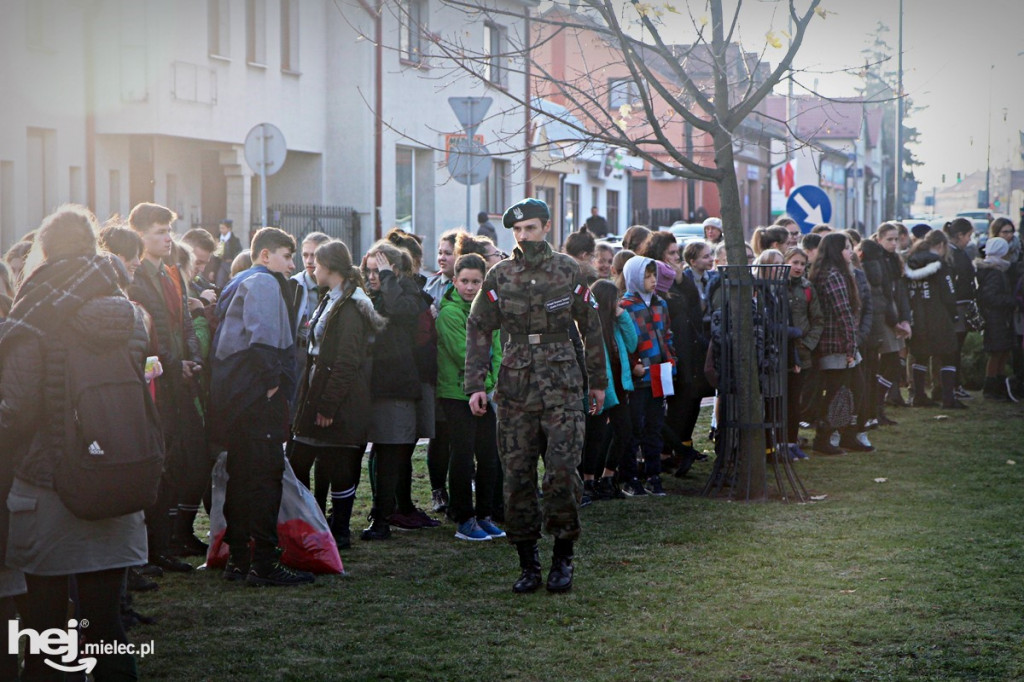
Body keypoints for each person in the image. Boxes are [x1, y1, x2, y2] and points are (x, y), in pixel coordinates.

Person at [0, 205, 148, 678]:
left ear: (43, 250)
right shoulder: (128, 315)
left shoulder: (32, 317)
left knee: (45, 638)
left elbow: (15, 412)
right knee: (106, 630)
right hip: (118, 480)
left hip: (49, 489)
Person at [464, 197, 606, 594]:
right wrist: (476, 383)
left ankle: (563, 557)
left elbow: (591, 327)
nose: (523, 236)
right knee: (517, 477)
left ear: (545, 226)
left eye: (530, 227)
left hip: (562, 385)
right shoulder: (499, 275)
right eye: (517, 230)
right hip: (515, 388)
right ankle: (528, 563)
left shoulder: (568, 270)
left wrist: (598, 382)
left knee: (562, 473)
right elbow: (478, 328)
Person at [211, 227, 314, 586]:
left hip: (237, 399)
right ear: (266, 255)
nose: (293, 264)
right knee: (265, 478)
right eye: (288, 256)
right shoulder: (265, 283)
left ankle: (239, 560)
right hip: (257, 399)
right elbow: (263, 339)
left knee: (240, 477)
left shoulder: (238, 279)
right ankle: (264, 563)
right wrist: (272, 384)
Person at [290, 240, 384, 549]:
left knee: (338, 463)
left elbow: (347, 360)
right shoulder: (331, 297)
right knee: (300, 459)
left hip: (338, 394)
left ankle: (339, 529)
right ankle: (314, 521)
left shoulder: (351, 305)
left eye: (316, 264)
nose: (312, 269)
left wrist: (328, 405)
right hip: (318, 387)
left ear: (329, 268)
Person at [127, 203, 204, 571]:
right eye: (159, 231)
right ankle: (151, 548)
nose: (167, 238)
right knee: (157, 463)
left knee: (175, 461)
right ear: (139, 235)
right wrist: (175, 365)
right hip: (157, 381)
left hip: (178, 381)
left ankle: (166, 544)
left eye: (169, 231)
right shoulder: (135, 276)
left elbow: (184, 322)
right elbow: (147, 335)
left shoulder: (171, 272)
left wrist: (193, 359)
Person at [360, 240, 433, 539]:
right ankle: (382, 513)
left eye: (380, 271)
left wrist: (390, 277)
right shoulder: (374, 297)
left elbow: (400, 310)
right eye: (369, 271)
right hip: (377, 384)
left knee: (391, 452)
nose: (373, 277)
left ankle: (383, 519)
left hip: (396, 384)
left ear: (397, 273)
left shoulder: (408, 296)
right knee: (381, 452)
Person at [436, 254, 504, 541]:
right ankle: (464, 517)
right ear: (454, 281)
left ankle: (485, 514)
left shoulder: (490, 311)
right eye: (464, 281)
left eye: (476, 281)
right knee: (463, 456)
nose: (470, 287)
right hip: (457, 393)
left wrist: (496, 384)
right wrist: (486, 384)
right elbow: (463, 355)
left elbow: (498, 349)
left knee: (489, 455)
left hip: (486, 392)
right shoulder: (449, 314)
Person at [620, 255, 676, 495]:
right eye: (647, 276)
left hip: (659, 373)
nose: (653, 280)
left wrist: (672, 359)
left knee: (655, 425)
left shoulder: (660, 303)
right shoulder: (625, 305)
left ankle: (653, 474)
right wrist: (633, 365)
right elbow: (621, 341)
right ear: (633, 277)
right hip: (637, 377)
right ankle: (630, 477)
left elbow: (667, 334)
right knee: (634, 427)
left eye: (654, 275)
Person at [809, 232, 861, 455]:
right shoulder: (834, 275)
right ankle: (825, 438)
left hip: (833, 343)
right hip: (837, 344)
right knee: (838, 393)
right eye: (847, 247)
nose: (850, 251)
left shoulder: (823, 272)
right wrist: (851, 348)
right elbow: (843, 314)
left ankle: (843, 434)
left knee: (843, 391)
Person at [904, 230, 963, 409]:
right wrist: (953, 315)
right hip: (939, 317)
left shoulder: (910, 263)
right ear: (941, 246)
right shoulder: (941, 266)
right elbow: (949, 294)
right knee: (949, 355)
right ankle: (947, 398)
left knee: (920, 356)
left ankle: (918, 395)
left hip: (916, 316)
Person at [783, 247, 823, 459]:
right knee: (781, 400)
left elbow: (817, 320)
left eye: (802, 264)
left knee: (795, 402)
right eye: (795, 262)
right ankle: (778, 443)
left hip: (802, 354)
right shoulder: (775, 286)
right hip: (781, 353)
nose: (798, 267)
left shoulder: (808, 288)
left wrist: (808, 345)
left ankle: (791, 441)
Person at [975, 236, 1017, 401]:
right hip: (996, 318)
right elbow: (990, 297)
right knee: (997, 353)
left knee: (1001, 352)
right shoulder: (995, 272)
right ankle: (991, 388)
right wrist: (1011, 301)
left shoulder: (991, 270)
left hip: (997, 317)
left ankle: (998, 386)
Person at [943, 218, 979, 399]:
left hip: (960, 304)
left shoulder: (957, 253)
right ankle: (953, 385)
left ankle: (954, 384)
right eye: (968, 236)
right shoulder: (953, 255)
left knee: (957, 347)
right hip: (956, 306)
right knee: (954, 348)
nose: (969, 240)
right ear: (959, 235)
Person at [215, 218, 243, 286]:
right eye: (220, 228)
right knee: (219, 282)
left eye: (223, 228)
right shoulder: (218, 239)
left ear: (229, 229)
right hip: (221, 264)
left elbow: (238, 253)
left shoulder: (235, 240)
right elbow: (216, 255)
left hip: (231, 264)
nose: (221, 230)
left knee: (233, 281)